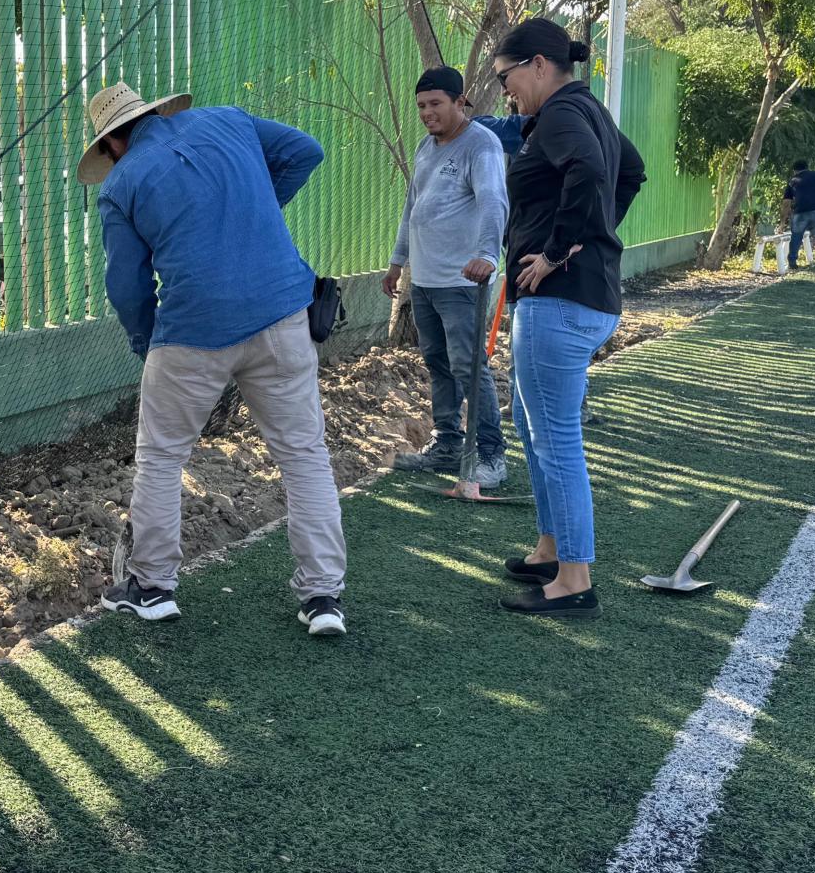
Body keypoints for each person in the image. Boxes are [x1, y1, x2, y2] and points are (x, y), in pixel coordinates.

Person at [83, 81, 349, 638]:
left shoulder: (120, 185)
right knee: (303, 454)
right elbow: (307, 152)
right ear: (154, 109)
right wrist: (252, 212)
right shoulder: (228, 120)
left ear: (111, 145)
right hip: (282, 313)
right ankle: (323, 597)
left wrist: (145, 342)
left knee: (161, 457)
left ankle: (153, 587)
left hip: (192, 329)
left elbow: (127, 289)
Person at [490, 19, 646, 620]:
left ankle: (574, 580)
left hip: (561, 300)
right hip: (581, 298)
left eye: (506, 77)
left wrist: (561, 247)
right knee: (535, 430)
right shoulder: (587, 111)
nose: (505, 90)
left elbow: (590, 173)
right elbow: (627, 172)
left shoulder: (560, 114)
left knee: (555, 437)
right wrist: (594, 231)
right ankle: (551, 549)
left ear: (536, 65)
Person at [383, 67, 510, 485]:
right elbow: (411, 207)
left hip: (462, 281)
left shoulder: (481, 145)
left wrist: (488, 254)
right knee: (437, 362)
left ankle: (491, 455)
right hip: (425, 281)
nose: (426, 112)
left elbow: (494, 202)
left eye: (435, 103)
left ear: (461, 102)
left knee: (469, 366)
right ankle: (449, 444)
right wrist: (398, 261)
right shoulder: (425, 147)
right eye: (421, 105)